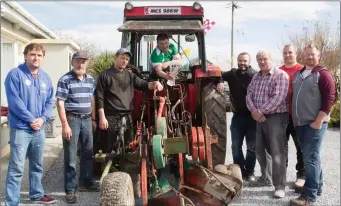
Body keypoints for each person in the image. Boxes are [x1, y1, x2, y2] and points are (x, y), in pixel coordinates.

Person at [95, 48, 163, 196]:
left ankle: (128, 183)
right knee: (109, 150)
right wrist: (101, 117)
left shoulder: (130, 76)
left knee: (129, 149)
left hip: (127, 116)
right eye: (122, 58)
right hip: (111, 117)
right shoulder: (105, 75)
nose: (124, 61)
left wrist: (155, 84)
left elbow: (144, 84)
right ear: (116, 57)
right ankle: (109, 185)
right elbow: (99, 97)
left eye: (126, 59)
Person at [5, 43, 56, 205]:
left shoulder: (45, 78)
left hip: (39, 128)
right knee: (17, 167)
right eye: (32, 54)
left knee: (37, 164)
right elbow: (14, 102)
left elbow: (49, 102)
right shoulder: (15, 75)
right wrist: (31, 119)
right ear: (25, 55)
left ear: (43, 57)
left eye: (39, 55)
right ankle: (12, 201)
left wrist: (42, 119)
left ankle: (36, 194)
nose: (36, 58)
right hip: (21, 128)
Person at [290, 44, 336, 206]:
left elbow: (330, 98)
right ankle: (318, 187)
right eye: (307, 54)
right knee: (312, 157)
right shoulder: (299, 74)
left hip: (314, 124)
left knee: (311, 159)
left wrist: (319, 121)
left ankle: (309, 196)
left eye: (313, 54)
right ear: (303, 56)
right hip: (300, 124)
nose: (309, 57)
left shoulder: (323, 75)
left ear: (319, 56)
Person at [56, 51, 98, 204]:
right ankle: (70, 190)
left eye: (84, 62)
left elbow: (92, 99)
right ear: (72, 62)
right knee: (71, 156)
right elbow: (60, 103)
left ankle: (86, 183)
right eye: (78, 61)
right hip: (72, 120)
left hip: (87, 120)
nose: (81, 65)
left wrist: (93, 119)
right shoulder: (65, 79)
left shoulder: (91, 79)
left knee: (88, 153)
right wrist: (65, 125)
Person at [245, 51, 289, 198]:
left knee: (277, 153)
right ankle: (266, 178)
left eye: (265, 59)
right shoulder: (256, 76)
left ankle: (280, 186)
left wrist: (259, 111)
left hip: (275, 117)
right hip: (259, 117)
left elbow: (278, 97)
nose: (262, 62)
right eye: (259, 59)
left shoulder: (280, 75)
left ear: (271, 59)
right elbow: (248, 94)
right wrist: (253, 111)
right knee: (260, 151)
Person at [216, 52, 257, 181]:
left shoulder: (255, 75)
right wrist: (220, 82)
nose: (242, 63)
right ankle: (239, 171)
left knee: (252, 148)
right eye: (240, 61)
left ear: (249, 62)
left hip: (253, 118)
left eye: (245, 61)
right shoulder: (233, 74)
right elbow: (219, 74)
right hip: (237, 117)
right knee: (235, 147)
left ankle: (250, 172)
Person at [279, 44, 305, 190]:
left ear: (296, 53)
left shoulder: (302, 70)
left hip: (298, 116)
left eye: (290, 52)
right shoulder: (278, 70)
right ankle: (281, 176)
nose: (288, 55)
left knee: (300, 147)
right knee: (281, 147)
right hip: (282, 116)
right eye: (285, 53)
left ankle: (301, 175)